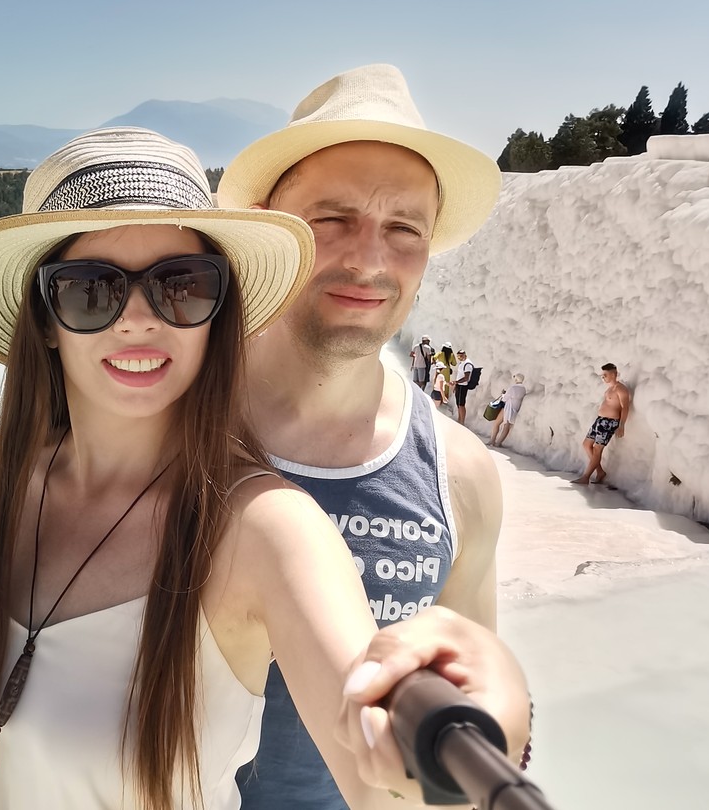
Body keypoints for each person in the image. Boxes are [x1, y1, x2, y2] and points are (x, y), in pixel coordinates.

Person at [0, 127, 530, 810]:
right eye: (90, 289)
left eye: (181, 286)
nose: (137, 320)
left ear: (218, 314)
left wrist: (480, 723)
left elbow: (377, 770)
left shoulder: (268, 528)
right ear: (44, 317)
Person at [217, 64, 507, 809]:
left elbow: (464, 701)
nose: (369, 260)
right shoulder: (171, 426)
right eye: (332, 219)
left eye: (404, 229)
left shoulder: (458, 476)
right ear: (267, 228)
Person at [572, 362, 631, 485]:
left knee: (597, 449)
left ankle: (586, 477)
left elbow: (625, 407)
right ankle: (600, 472)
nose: (603, 377)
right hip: (600, 421)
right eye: (602, 375)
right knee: (586, 444)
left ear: (613, 374)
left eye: (605, 375)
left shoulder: (621, 389)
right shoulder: (610, 389)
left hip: (609, 422)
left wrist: (621, 425)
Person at [490, 373, 527, 447]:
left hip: (507, 407)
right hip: (515, 408)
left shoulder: (512, 388)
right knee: (507, 426)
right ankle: (498, 443)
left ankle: (492, 441)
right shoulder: (523, 389)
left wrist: (503, 394)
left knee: (497, 423)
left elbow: (504, 399)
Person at [453, 348, 474, 424]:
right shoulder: (462, 363)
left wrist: (456, 382)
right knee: (458, 404)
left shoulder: (467, 364)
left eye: (461, 356)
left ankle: (462, 422)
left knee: (461, 404)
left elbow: (466, 378)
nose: (459, 357)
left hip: (463, 386)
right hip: (459, 385)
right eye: (458, 356)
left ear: (465, 355)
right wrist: (456, 384)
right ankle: (459, 419)